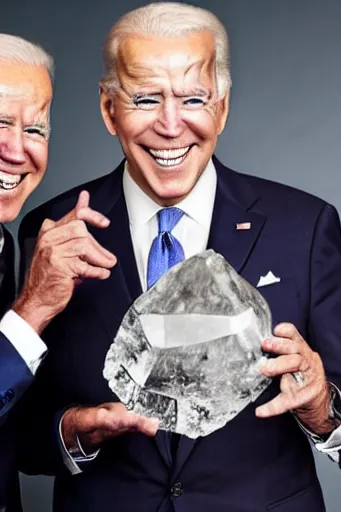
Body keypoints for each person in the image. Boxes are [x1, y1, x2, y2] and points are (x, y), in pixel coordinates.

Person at [17, 3, 341, 511]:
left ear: (222, 107)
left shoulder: (302, 225)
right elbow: (14, 432)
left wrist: (321, 405)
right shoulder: (52, 230)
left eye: (193, 98)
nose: (171, 126)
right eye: (146, 98)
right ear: (109, 110)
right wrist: (72, 433)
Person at [0, 34, 155, 512]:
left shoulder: (7, 246)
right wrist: (34, 308)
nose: (16, 150)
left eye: (36, 130)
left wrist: (73, 429)